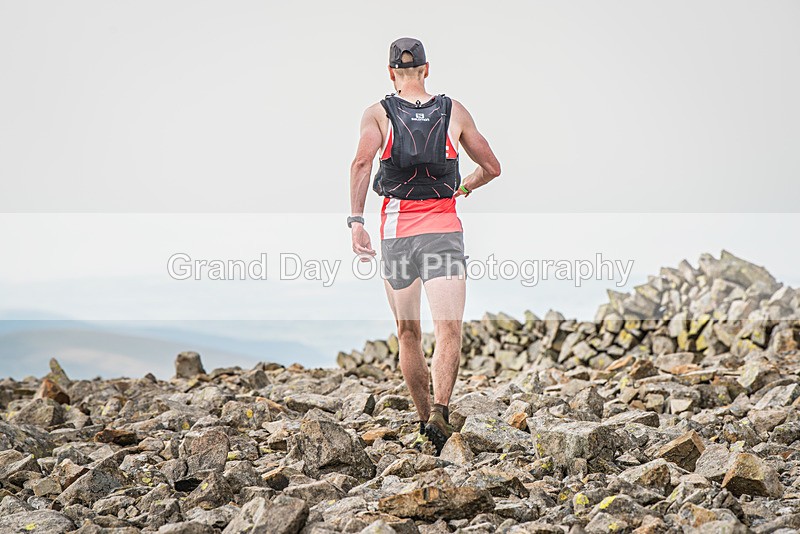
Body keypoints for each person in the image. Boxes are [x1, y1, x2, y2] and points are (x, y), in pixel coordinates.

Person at [347, 37, 501, 454]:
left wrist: (356, 221)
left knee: (408, 331)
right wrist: (461, 189)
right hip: (443, 229)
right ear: (427, 69)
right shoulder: (455, 111)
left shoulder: (377, 113)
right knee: (449, 328)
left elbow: (362, 163)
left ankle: (421, 423)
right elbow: (491, 167)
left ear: (390, 72)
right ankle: (440, 412)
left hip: (395, 232)